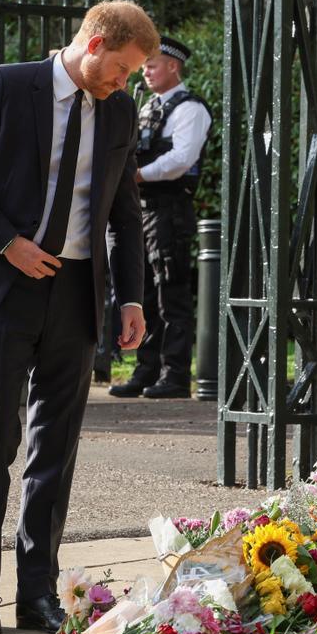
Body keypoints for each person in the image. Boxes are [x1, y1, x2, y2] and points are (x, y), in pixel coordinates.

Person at [0, 1, 158, 634]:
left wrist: (131, 298)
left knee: (55, 449)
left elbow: (123, 209)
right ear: (93, 44)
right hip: (4, 285)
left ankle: (36, 591)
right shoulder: (9, 85)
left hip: (75, 293)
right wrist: (4, 241)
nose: (125, 83)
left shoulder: (119, 109)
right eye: (121, 69)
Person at [108, 36, 211, 400]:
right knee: (144, 293)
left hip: (170, 211)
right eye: (145, 65)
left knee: (173, 293)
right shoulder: (147, 105)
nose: (146, 71)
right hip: (142, 210)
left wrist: (136, 175)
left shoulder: (190, 108)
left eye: (153, 64)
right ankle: (146, 371)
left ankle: (176, 374)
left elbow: (182, 159)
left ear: (173, 66)